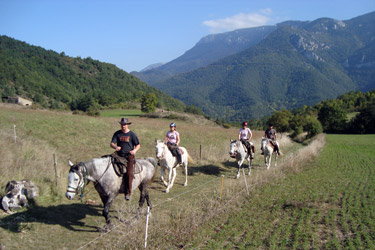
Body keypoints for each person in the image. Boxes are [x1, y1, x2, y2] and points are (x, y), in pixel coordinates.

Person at [110, 118, 140, 201]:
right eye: (122, 124)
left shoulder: (132, 134)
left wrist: (134, 150)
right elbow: (111, 143)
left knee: (129, 173)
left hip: (129, 156)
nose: (123, 126)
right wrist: (116, 147)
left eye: (125, 124)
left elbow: (138, 145)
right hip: (118, 155)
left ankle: (127, 192)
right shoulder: (117, 133)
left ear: (128, 125)